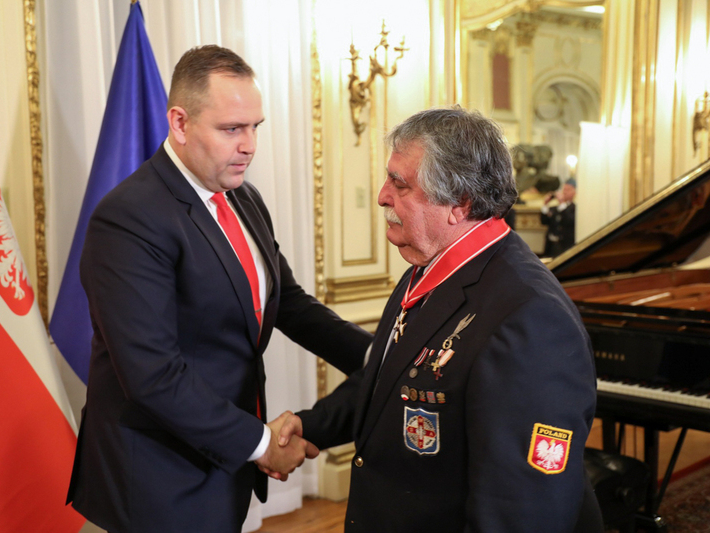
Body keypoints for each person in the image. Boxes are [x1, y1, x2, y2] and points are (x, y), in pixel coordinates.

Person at [65, 45, 372, 533]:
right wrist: (261, 444)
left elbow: (287, 303)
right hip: (157, 475)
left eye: (256, 127)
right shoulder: (129, 218)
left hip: (222, 459)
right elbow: (152, 375)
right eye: (232, 129)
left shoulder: (243, 197)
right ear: (180, 124)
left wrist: (379, 356)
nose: (249, 145)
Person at [275, 107, 602, 532]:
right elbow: (390, 377)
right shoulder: (431, 267)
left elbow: (518, 510)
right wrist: (311, 425)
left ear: (459, 204)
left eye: (400, 184)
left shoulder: (531, 319)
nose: (382, 196)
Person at [541, 177, 577, 257]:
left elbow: (569, 221)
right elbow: (544, 221)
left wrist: (562, 203)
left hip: (565, 246)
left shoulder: (575, 209)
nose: (565, 192)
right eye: (564, 189)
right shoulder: (554, 208)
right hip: (551, 246)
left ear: (574, 193)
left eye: (568, 190)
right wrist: (545, 204)